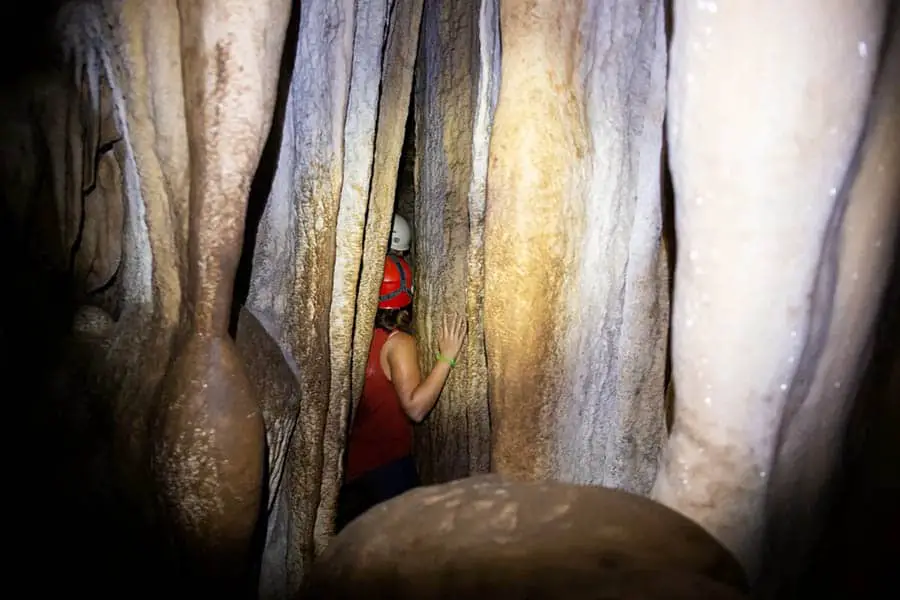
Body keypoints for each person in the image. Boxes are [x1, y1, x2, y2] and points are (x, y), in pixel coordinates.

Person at [336, 254, 467, 531]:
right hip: (387, 468)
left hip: (351, 469)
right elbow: (415, 408)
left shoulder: (355, 335)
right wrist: (448, 357)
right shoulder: (398, 343)